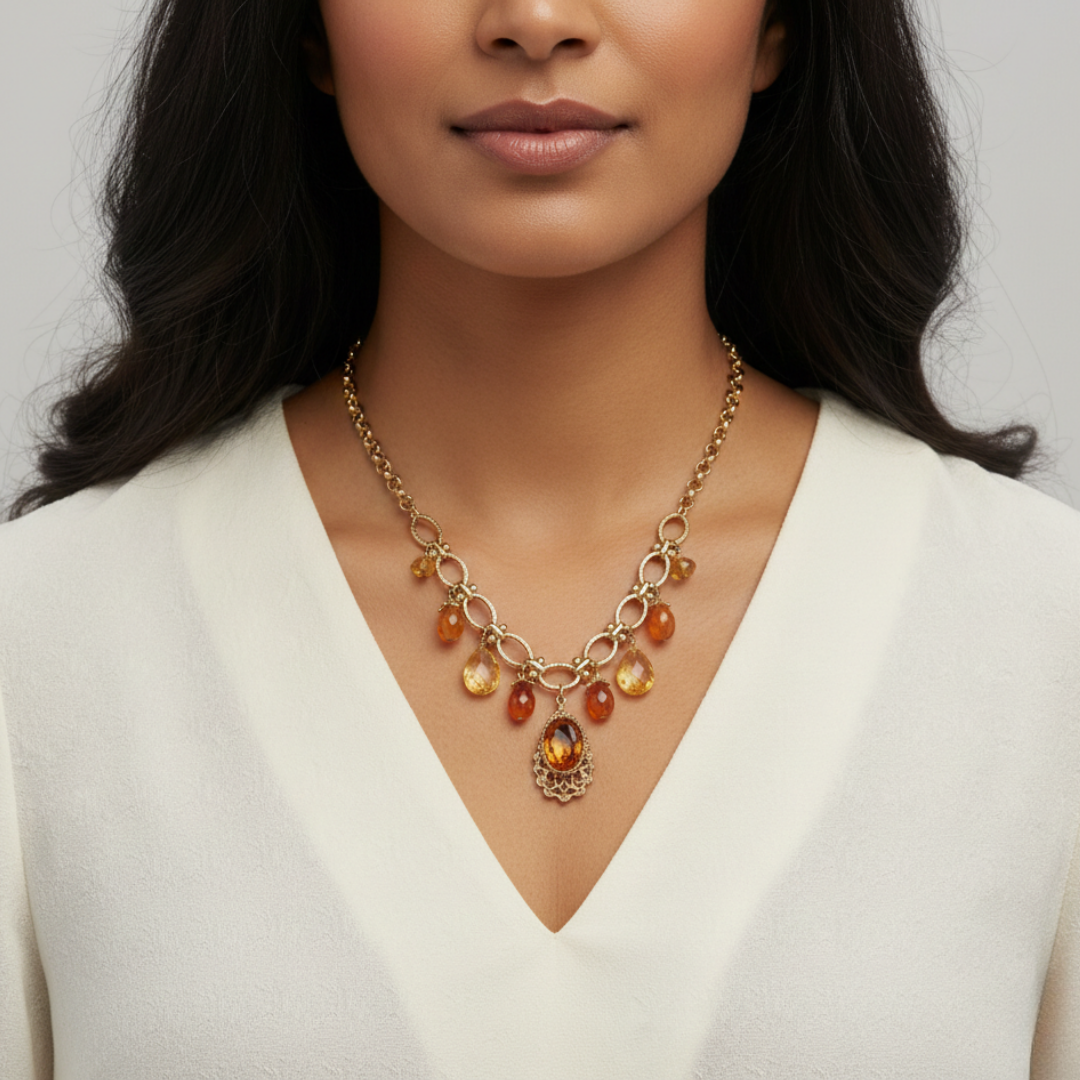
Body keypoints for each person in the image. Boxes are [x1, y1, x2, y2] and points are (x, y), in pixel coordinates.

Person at [2, 0, 1078, 1076]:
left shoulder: (1040, 630)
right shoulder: (46, 638)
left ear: (779, 27)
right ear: (309, 32)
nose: (536, 19)